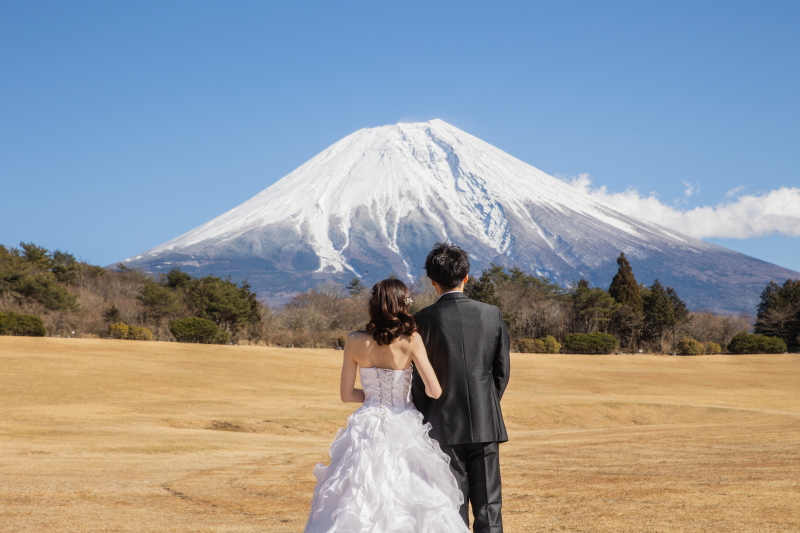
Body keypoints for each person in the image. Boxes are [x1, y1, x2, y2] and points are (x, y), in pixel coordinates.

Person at [304, 278, 470, 532]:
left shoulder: (354, 340)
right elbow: (434, 391)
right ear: (403, 304)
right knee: (412, 488)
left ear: (374, 304)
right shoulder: (410, 340)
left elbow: (347, 395)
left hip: (366, 425)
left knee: (358, 492)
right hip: (403, 421)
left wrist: (374, 398)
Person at [411, 242, 511, 532]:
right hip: (485, 422)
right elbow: (501, 371)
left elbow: (418, 380)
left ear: (432, 281)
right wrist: (486, 403)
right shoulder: (491, 314)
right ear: (466, 276)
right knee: (489, 507)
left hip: (441, 423)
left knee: (450, 507)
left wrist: (426, 414)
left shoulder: (422, 320)